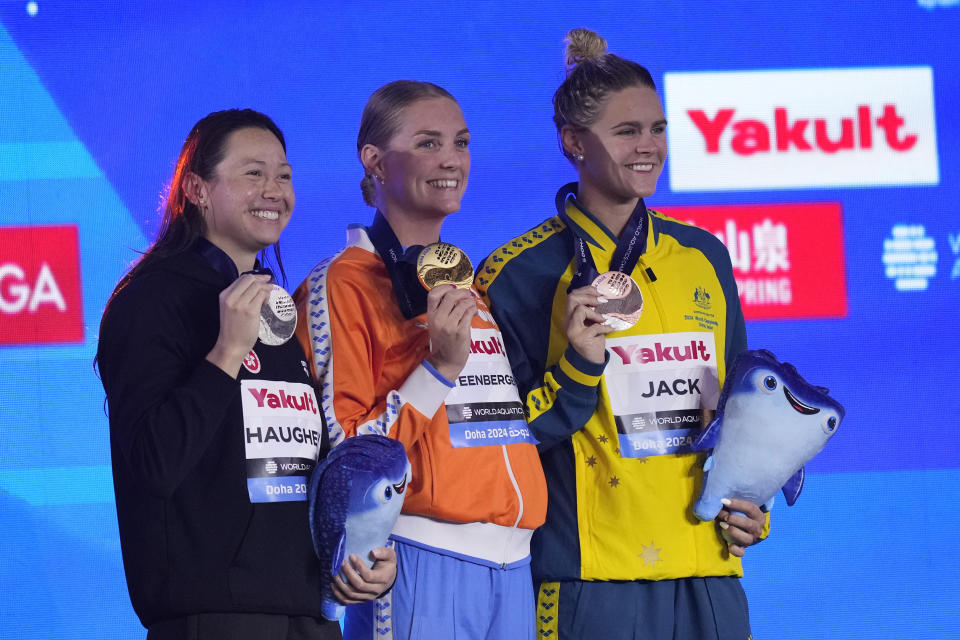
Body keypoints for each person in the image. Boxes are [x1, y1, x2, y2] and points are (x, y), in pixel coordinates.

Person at [475, 30, 768, 640]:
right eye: (627, 131)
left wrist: (751, 499)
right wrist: (579, 369)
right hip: (590, 577)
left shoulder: (702, 256)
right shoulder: (514, 275)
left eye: (657, 129)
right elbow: (496, 440)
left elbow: (739, 410)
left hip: (707, 569)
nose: (649, 147)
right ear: (573, 143)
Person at [96, 109, 396, 640]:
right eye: (253, 173)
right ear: (197, 188)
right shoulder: (151, 300)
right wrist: (225, 354)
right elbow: (153, 465)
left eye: (283, 175)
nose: (274, 190)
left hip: (309, 613)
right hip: (216, 618)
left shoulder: (276, 305)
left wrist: (361, 553)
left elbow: (302, 465)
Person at [294, 81, 547, 640]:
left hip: (513, 567)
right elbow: (348, 453)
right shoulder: (343, 281)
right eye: (429, 143)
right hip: (418, 559)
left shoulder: (466, 282)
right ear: (375, 161)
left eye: (461, 142)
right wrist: (436, 372)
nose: (451, 159)